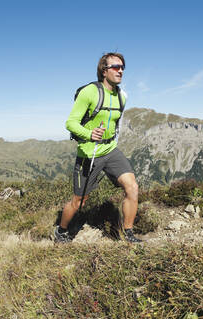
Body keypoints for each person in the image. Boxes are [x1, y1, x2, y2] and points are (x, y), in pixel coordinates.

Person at [54, 52, 141, 243]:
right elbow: (71, 123)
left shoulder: (122, 96)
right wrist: (89, 134)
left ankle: (128, 234)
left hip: (110, 149)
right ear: (104, 71)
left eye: (122, 67)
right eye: (115, 67)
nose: (120, 71)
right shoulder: (89, 92)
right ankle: (61, 230)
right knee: (79, 201)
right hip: (89, 153)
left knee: (132, 187)